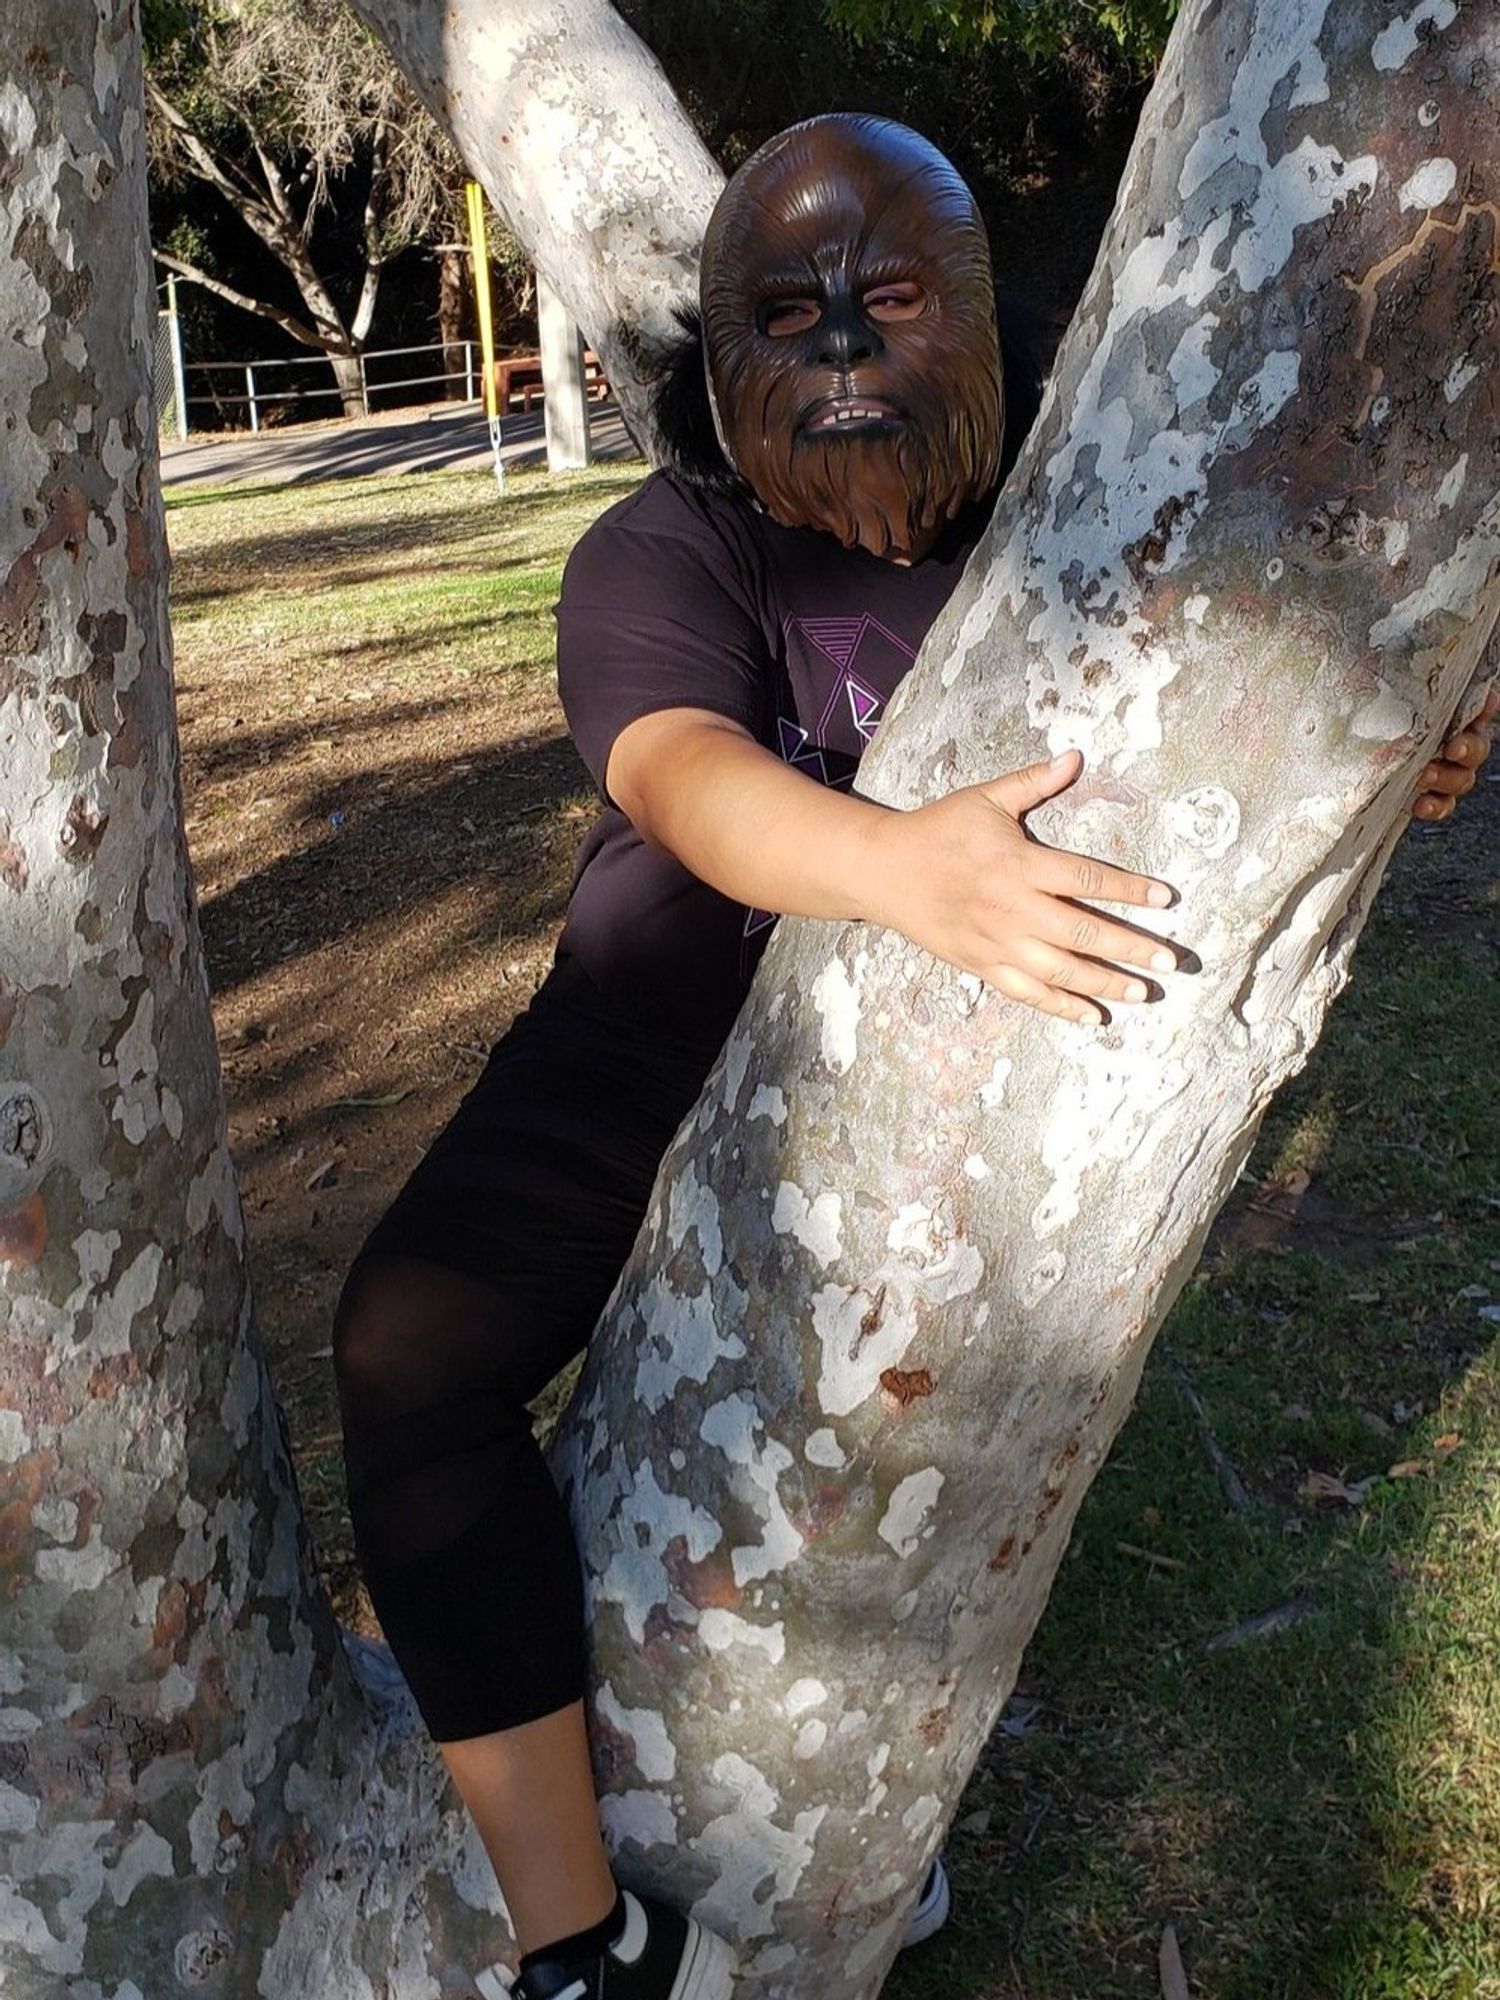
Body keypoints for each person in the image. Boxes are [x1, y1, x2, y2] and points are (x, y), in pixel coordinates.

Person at [333, 115, 1495, 2000]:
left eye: (887, 299)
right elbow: (674, 775)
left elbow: (1275, 719)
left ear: (986, 316)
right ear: (719, 363)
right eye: (785, 314)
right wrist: (893, 864)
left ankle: (874, 1826)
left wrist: (1400, 735)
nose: (843, 355)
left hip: (951, 1110)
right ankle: (577, 1936)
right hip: (649, 1036)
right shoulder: (674, 542)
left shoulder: (1095, 508)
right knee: (404, 1347)